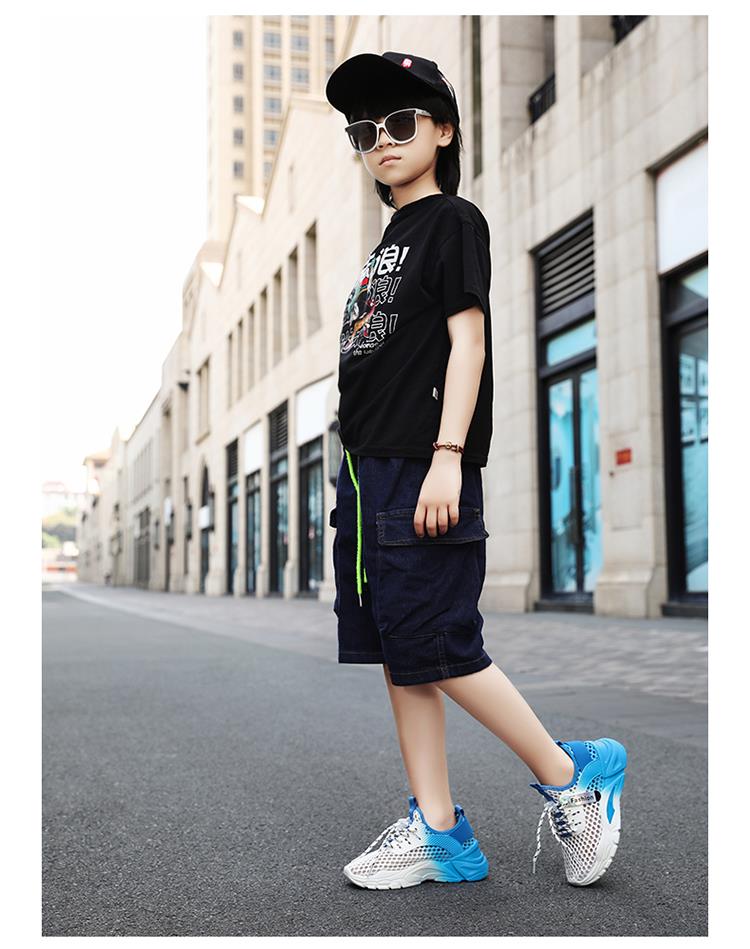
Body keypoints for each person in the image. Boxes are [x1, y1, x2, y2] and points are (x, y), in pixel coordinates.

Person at [325, 51, 627, 890]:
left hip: (422, 467)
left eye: (400, 122)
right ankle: (440, 830)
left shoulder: (453, 220)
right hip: (366, 476)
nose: (382, 141)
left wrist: (448, 456)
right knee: (401, 651)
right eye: (365, 131)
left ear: (445, 131)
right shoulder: (387, 243)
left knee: (443, 643)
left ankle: (574, 773)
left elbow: (470, 342)